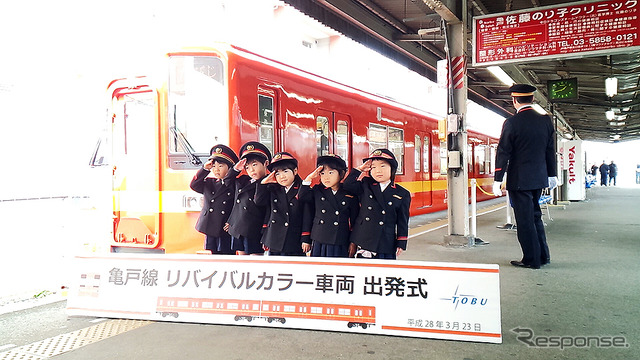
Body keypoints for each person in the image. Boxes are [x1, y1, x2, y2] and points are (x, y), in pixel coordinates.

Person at [492, 84, 557, 270]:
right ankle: (543, 256)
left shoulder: (512, 123)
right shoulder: (545, 121)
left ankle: (531, 259)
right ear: (533, 99)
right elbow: (549, 151)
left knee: (525, 220)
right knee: (536, 216)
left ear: (514, 100)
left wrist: (498, 179)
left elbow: (503, 152)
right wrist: (551, 175)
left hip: (519, 181)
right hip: (539, 179)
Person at [343, 149, 411, 259]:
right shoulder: (366, 184)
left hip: (386, 241)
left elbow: (402, 220)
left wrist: (401, 242)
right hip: (363, 239)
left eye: (383, 166)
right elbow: (347, 185)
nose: (378, 170)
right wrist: (360, 169)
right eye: (373, 167)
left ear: (392, 169)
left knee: (383, 273)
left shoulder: (402, 193)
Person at [299, 154, 359, 258]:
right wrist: (309, 178)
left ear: (341, 174)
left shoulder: (349, 194)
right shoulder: (317, 190)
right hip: (319, 239)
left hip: (340, 240)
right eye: (322, 173)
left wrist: (353, 242)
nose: (326, 177)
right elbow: (302, 197)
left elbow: (355, 220)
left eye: (331, 172)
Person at [255, 152, 310, 256]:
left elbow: (307, 216)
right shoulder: (273, 189)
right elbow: (259, 202)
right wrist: (263, 183)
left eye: (285, 171)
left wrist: (305, 237)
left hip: (293, 239)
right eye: (277, 173)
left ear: (295, 171)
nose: (282, 176)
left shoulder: (302, 190)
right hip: (274, 238)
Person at [189, 144, 239, 254]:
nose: (216, 170)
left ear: (230, 168)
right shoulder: (210, 183)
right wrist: (204, 169)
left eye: (220, 166)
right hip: (210, 226)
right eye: (214, 167)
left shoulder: (234, 184)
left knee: (227, 253)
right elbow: (194, 185)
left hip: (225, 226)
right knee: (213, 253)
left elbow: (237, 206)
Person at [225, 141, 272, 255]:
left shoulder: (270, 184)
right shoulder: (243, 180)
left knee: (255, 259)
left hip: (254, 230)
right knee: (242, 260)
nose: (251, 170)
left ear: (265, 163)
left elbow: (261, 203)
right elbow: (226, 181)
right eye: (247, 167)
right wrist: (236, 169)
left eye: (254, 165)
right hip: (237, 228)